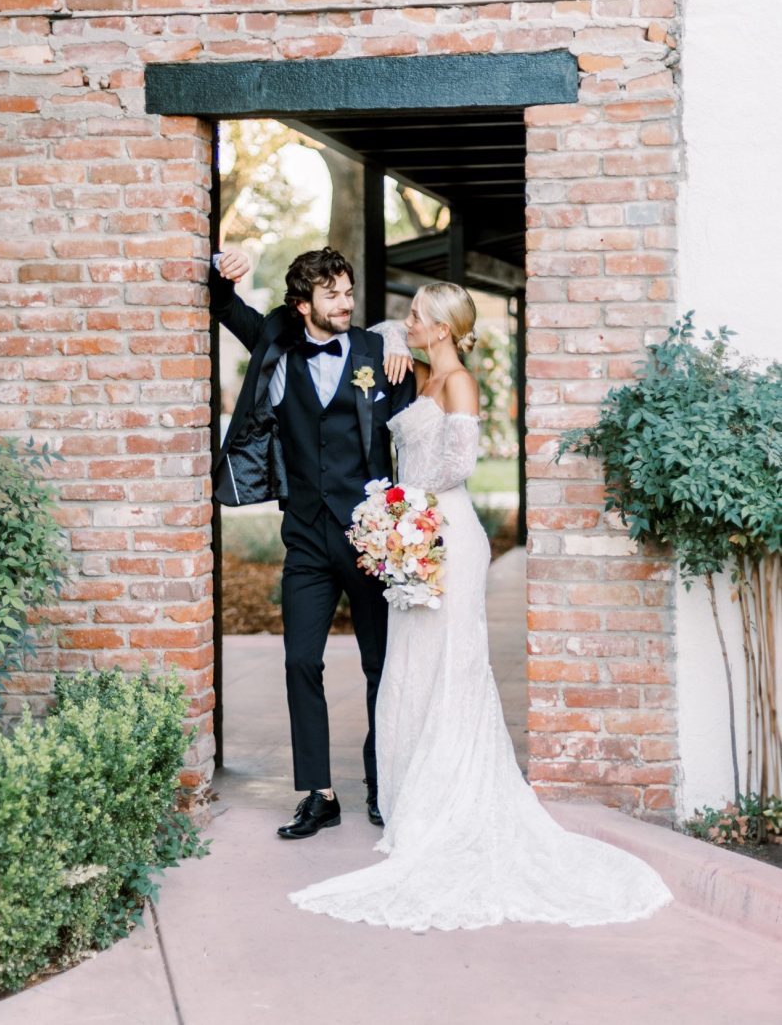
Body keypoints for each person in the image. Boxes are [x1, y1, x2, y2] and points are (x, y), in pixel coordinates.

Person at [289, 282, 673, 930]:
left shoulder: (460, 382)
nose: (404, 321)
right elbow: (376, 326)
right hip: (411, 528)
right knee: (409, 667)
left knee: (448, 667)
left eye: (417, 316)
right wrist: (390, 344)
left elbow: (461, 462)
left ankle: (452, 803)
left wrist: (399, 503)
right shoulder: (415, 370)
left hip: (445, 532)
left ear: (441, 328)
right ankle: (411, 804)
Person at [209, 246, 415, 839]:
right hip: (304, 538)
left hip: (373, 540)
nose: (346, 302)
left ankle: (383, 784)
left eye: (349, 292)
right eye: (333, 295)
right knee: (301, 659)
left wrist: (399, 334)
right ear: (304, 306)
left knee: (381, 665)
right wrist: (225, 270)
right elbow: (228, 307)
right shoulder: (277, 344)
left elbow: (417, 424)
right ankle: (319, 793)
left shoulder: (380, 353)